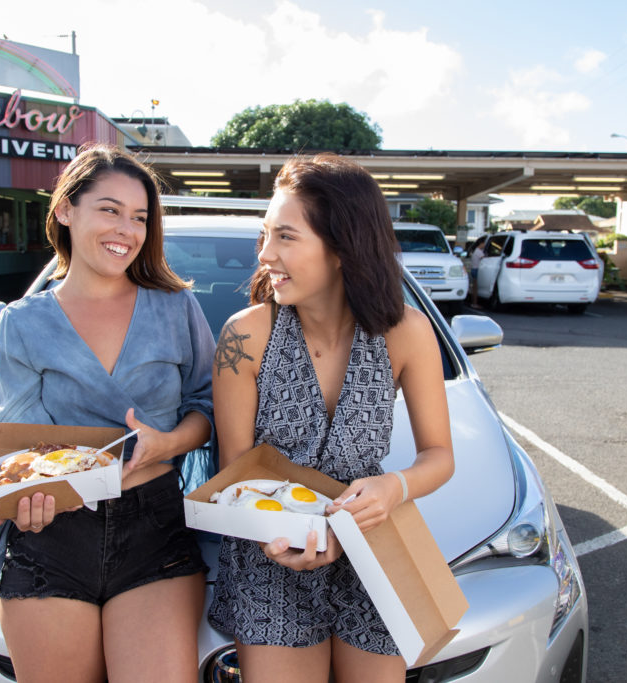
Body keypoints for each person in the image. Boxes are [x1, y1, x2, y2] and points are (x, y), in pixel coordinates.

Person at [0, 144, 215, 682]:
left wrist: (169, 443)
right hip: (53, 536)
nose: (127, 228)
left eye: (140, 217)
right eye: (109, 209)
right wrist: (19, 499)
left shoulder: (176, 308)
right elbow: (20, 447)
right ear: (65, 211)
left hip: (155, 532)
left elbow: (207, 407)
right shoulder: (21, 323)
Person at [208, 154, 454, 682]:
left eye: (286, 238)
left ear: (343, 247)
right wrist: (299, 534)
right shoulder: (243, 337)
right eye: (265, 234)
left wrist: (394, 487)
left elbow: (440, 457)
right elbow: (236, 475)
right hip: (271, 557)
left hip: (376, 553)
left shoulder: (406, 332)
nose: (265, 255)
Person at [467, 235, 486, 309]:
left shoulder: (475, 251)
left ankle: (474, 303)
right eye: (484, 243)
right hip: (476, 270)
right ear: (481, 243)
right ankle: (474, 303)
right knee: (475, 288)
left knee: (475, 288)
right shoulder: (478, 251)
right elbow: (484, 259)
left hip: (474, 269)